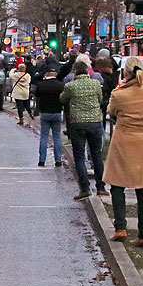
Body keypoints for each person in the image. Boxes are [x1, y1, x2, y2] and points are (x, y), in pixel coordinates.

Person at [105, 57, 143, 246]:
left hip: (123, 142)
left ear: (125, 73)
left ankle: (120, 227)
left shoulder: (119, 95)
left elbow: (111, 111)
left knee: (117, 185)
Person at [60, 59, 107, 201]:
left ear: (74, 72)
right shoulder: (96, 84)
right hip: (94, 123)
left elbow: (62, 99)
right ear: (87, 71)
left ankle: (85, 188)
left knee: (79, 157)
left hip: (77, 123)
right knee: (96, 155)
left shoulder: (70, 86)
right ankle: (101, 187)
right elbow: (100, 100)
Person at [35, 66, 65, 167]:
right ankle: (58, 160)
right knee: (56, 136)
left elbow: (36, 95)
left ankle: (42, 160)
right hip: (56, 112)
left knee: (44, 136)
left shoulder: (41, 85)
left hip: (44, 112)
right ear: (55, 74)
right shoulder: (61, 85)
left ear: (46, 74)